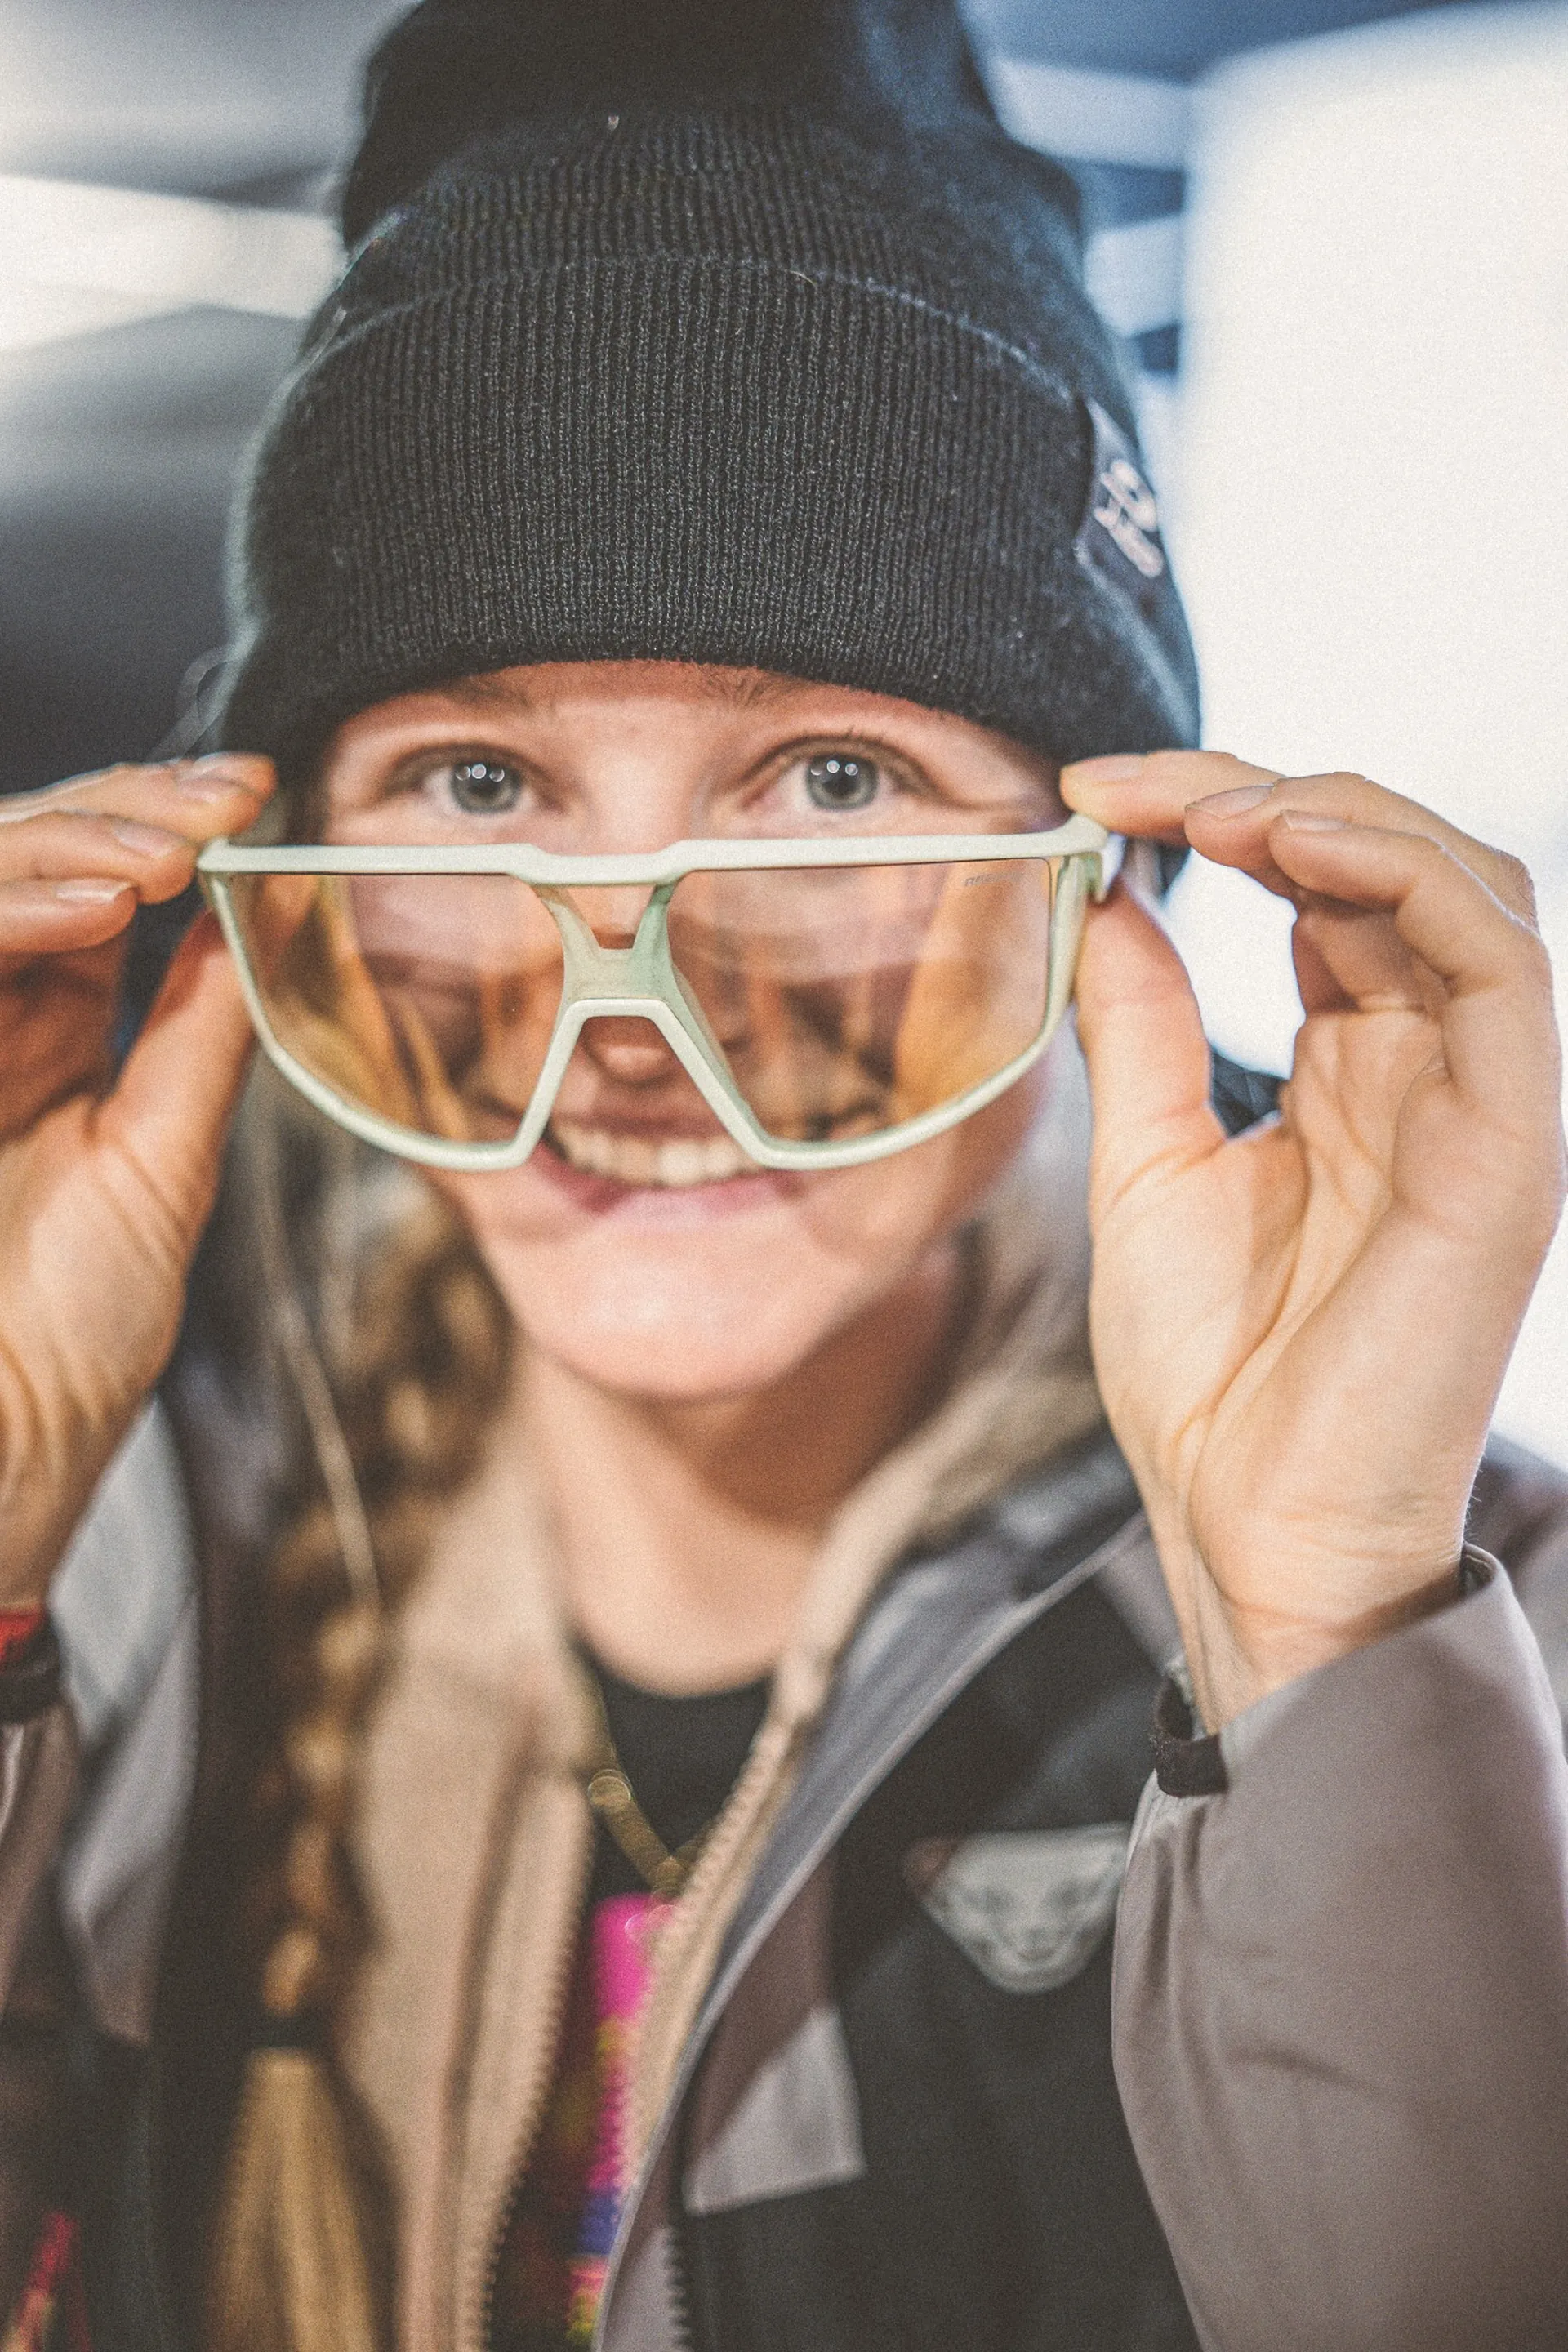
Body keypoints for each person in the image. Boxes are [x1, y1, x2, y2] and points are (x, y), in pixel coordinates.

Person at [1, 3, 1565, 2349]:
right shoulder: (118, 1578)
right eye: (479, 788)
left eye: (831, 783)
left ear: (1104, 868)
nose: (632, 1021)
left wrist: (1328, 1649)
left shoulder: (1484, 1654)